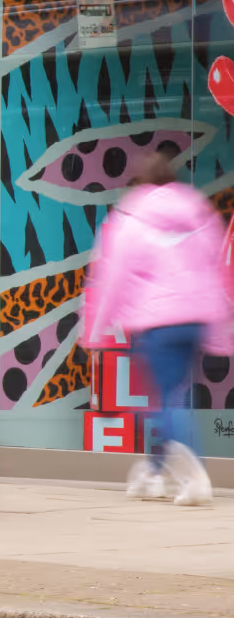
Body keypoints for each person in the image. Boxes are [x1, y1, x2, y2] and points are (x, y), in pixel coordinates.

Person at [82, 150, 232, 506]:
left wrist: (95, 328)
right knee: (173, 397)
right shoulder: (198, 211)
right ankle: (153, 473)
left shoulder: (133, 216)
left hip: (157, 323)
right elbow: (218, 270)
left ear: (142, 181)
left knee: (164, 402)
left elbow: (112, 277)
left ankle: (194, 477)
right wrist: (219, 327)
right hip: (194, 319)